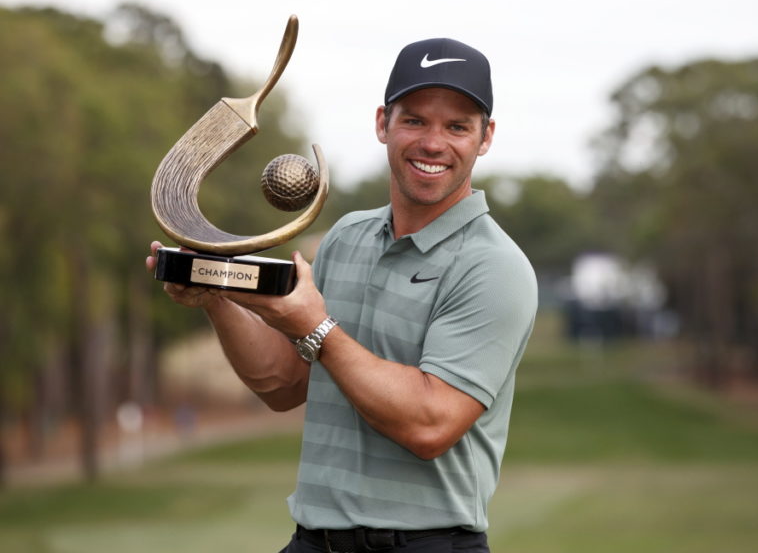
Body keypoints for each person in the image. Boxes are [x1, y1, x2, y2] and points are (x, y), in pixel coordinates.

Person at [147, 37, 538, 553]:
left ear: (485, 137)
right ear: (383, 123)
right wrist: (217, 298)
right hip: (314, 540)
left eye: (457, 126)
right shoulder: (347, 238)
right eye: (415, 120)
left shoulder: (495, 266)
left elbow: (430, 424)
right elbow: (284, 385)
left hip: (427, 544)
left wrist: (315, 327)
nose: (433, 143)